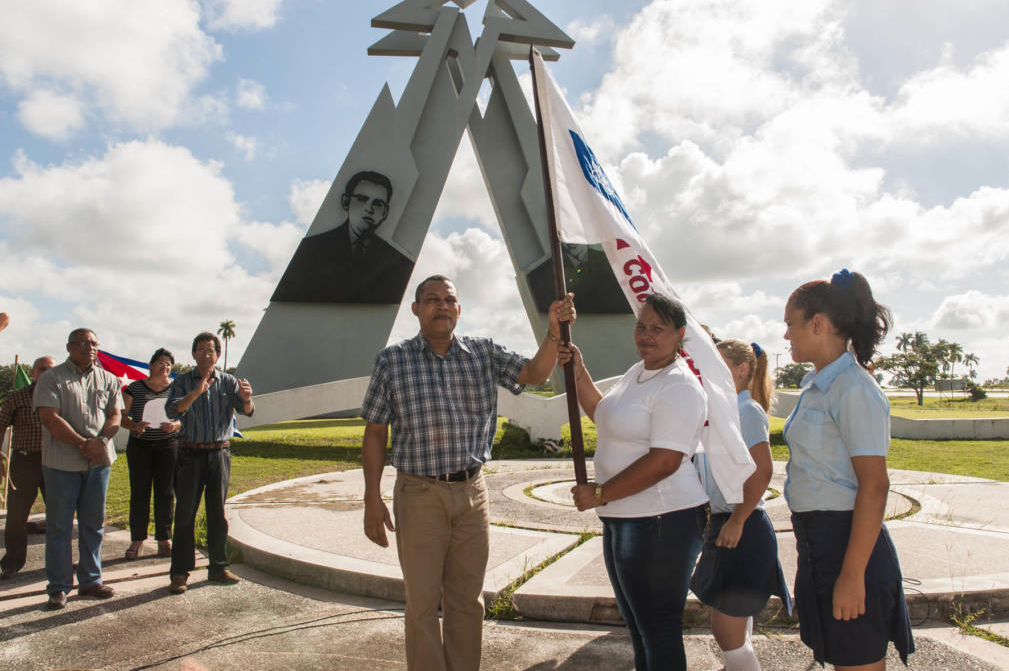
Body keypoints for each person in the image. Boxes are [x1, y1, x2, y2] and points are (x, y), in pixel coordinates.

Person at [361, 274, 576, 671]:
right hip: (419, 493)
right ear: (416, 309)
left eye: (449, 299)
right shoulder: (392, 361)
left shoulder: (483, 353)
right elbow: (375, 431)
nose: (441, 306)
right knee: (422, 603)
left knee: (467, 601)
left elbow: (534, 374)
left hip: (473, 493)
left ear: (459, 309)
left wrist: (551, 334)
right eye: (432, 300)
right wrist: (371, 498)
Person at [562, 293, 709, 671]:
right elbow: (602, 412)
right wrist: (579, 371)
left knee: (657, 629)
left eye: (657, 328)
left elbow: (664, 461)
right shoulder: (638, 373)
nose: (646, 335)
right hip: (623, 517)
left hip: (661, 520)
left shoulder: (679, 385)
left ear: (680, 334)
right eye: (641, 326)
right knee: (639, 626)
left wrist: (600, 493)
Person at [783, 269, 913, 669]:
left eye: (790, 324)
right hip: (819, 542)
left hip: (848, 544)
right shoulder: (819, 384)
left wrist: (853, 574)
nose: (786, 335)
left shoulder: (854, 388)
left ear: (817, 323)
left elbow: (874, 485)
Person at [691, 340, 792, 671]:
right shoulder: (723, 412)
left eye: (718, 364)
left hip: (742, 525)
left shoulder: (745, 411)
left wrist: (737, 519)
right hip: (730, 522)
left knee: (726, 633)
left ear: (742, 369)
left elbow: (762, 470)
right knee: (738, 630)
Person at [34, 329, 122, 610]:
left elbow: (115, 414)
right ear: (69, 346)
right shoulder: (52, 378)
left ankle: (91, 581)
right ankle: (59, 587)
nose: (90, 347)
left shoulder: (108, 379)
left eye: (95, 343)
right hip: (62, 464)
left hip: (98, 465)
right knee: (59, 526)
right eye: (84, 343)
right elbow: (50, 418)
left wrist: (102, 441)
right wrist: (84, 443)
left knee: (93, 525)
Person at [165, 332, 254, 594]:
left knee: (217, 513)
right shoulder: (182, 381)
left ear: (218, 354)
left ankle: (218, 565)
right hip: (190, 454)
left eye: (211, 350)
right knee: (184, 515)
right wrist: (196, 392)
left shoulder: (228, 382)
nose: (206, 354)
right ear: (193, 354)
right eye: (201, 350)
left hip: (219, 454)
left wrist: (247, 397)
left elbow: (247, 411)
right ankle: (180, 573)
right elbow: (173, 410)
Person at [272, 170, 416, 304]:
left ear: (385, 213)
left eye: (377, 204)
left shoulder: (397, 262)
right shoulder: (313, 249)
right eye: (361, 199)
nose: (369, 209)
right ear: (346, 202)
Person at [121, 348, 181, 560]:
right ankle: (137, 540)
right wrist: (134, 425)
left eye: (168, 364)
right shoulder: (134, 388)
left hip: (167, 446)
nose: (165, 367)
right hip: (140, 447)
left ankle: (164, 539)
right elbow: (121, 417)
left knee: (166, 492)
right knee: (140, 493)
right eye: (161, 363)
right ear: (151, 365)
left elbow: (185, 416)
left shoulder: (177, 388)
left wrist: (174, 425)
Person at [0, 355, 56, 579]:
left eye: (51, 370)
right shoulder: (17, 397)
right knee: (16, 514)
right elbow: (1, 425)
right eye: (42, 369)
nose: (46, 373)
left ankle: (59, 561)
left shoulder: (62, 397)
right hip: (25, 461)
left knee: (59, 515)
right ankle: (12, 561)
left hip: (56, 461)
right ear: (33, 373)